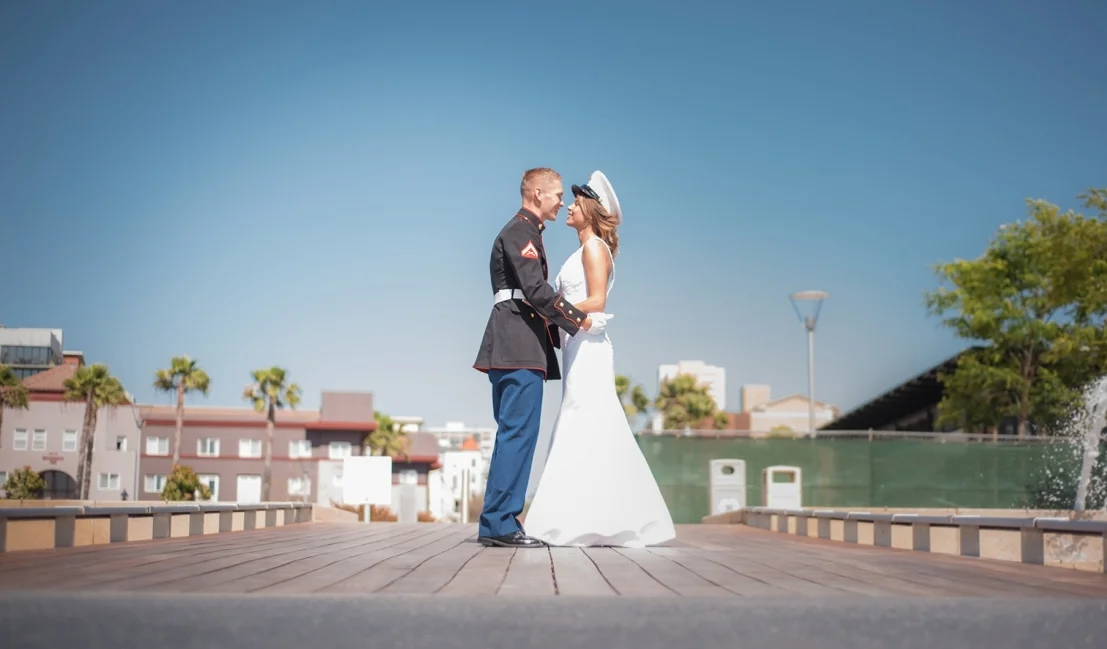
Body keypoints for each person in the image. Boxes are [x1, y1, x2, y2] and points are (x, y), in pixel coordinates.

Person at [523, 170, 677, 548]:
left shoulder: (594, 249)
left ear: (591, 211)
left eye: (576, 202)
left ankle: (575, 520)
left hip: (589, 348)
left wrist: (548, 310)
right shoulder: (583, 249)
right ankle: (584, 518)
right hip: (577, 345)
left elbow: (597, 301)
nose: (569, 206)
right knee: (584, 424)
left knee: (585, 420)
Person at [472, 167, 603, 548]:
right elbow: (534, 289)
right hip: (518, 346)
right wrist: (579, 321)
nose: (562, 201)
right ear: (537, 193)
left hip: (515, 344)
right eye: (558, 194)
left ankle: (496, 521)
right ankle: (500, 523)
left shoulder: (527, 232)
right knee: (518, 435)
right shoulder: (520, 231)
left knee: (512, 435)